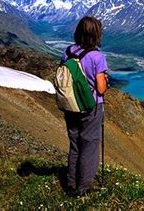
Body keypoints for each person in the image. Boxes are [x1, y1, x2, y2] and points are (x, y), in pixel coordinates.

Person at [60, 16, 108, 196]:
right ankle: (84, 187)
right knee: (89, 144)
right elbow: (101, 88)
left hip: (71, 105)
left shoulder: (68, 52)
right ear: (96, 35)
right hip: (91, 107)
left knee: (75, 144)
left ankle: (70, 184)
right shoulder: (97, 57)